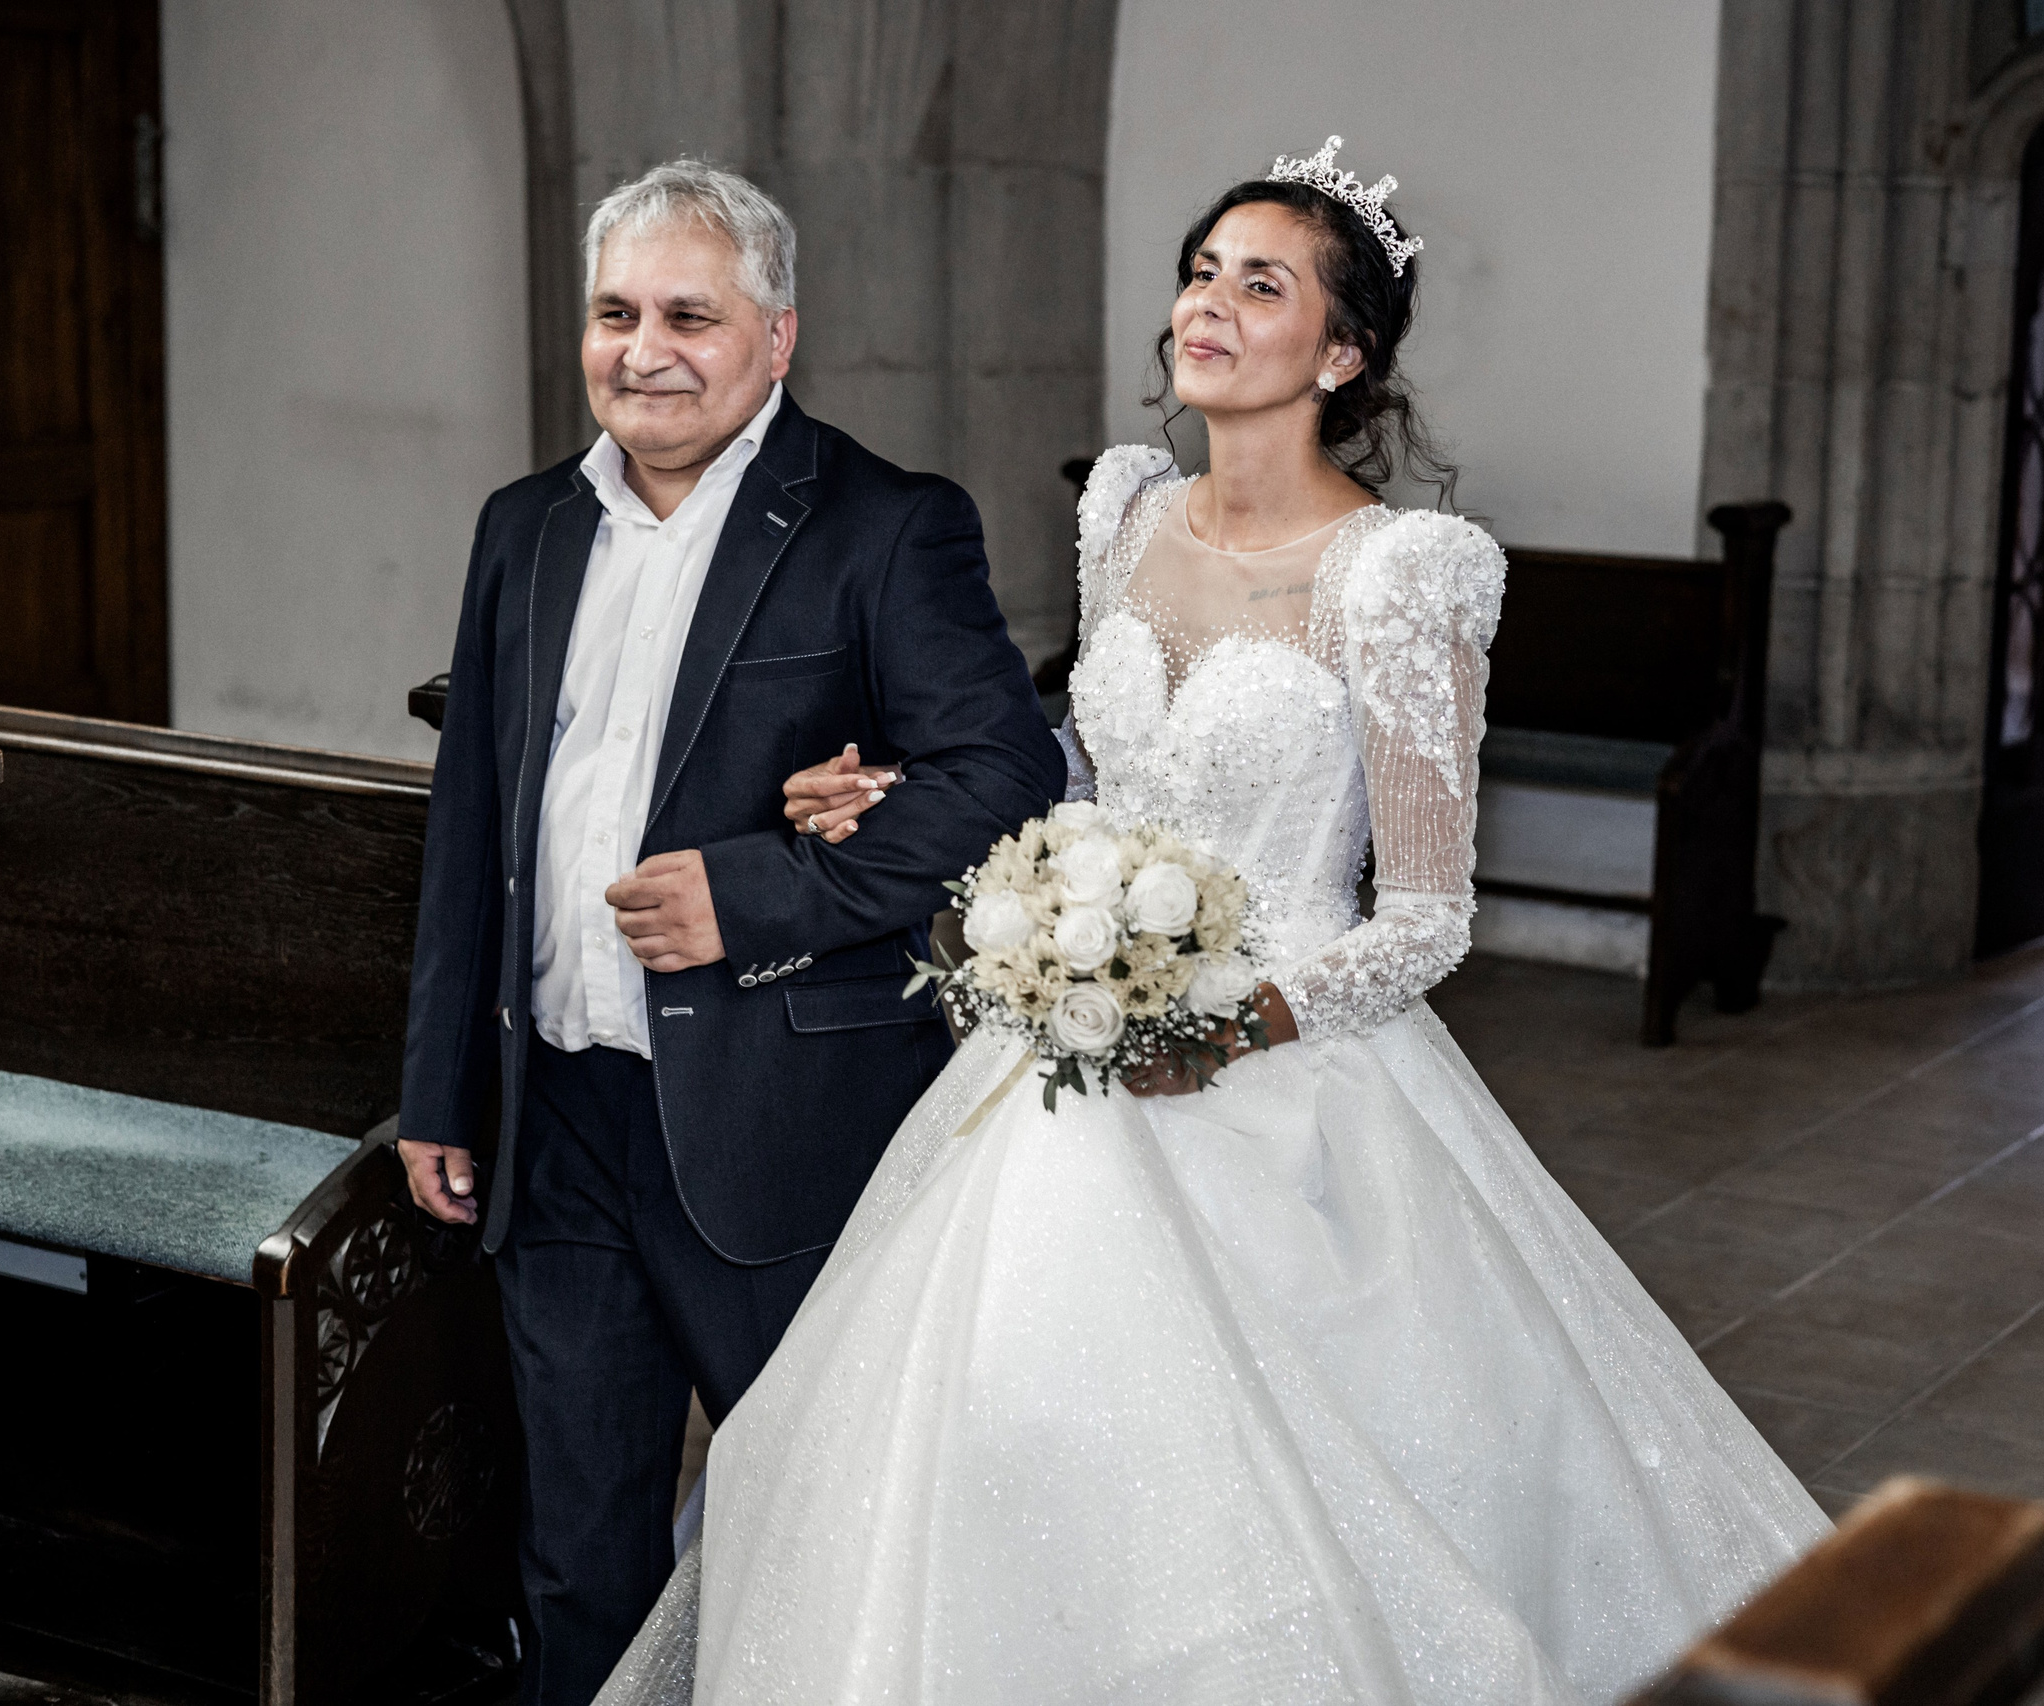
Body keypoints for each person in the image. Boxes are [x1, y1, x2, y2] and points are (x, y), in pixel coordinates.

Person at [597, 140, 1828, 1705]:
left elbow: (1430, 915)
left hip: (1286, 1072)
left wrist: (1235, 1024)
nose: (1209, 306)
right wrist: (912, 787)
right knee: (995, 1413)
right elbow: (1091, 771)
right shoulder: (1125, 515)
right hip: (1068, 1042)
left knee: (1281, 1489)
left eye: (1262, 285)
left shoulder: (1401, 574)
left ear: (1342, 352)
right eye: (1200, 273)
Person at [395, 158, 1064, 1704]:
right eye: (615, 313)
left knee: (810, 1523)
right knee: (579, 1543)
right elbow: (474, 818)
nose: (644, 351)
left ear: (776, 336)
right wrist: (440, 1081)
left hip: (782, 1113)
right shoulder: (523, 527)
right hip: (555, 1116)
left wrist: (747, 893)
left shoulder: (884, 526)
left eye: (689, 316)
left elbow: (1004, 776)